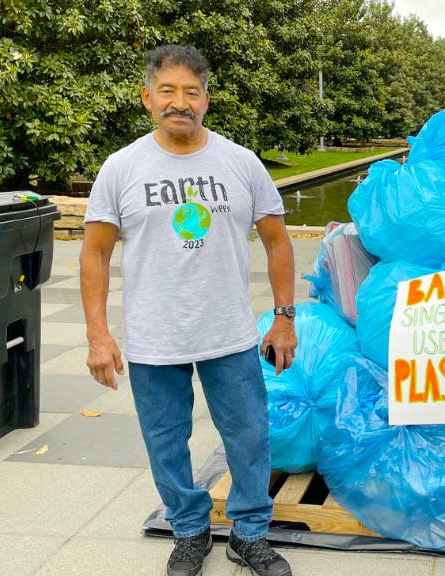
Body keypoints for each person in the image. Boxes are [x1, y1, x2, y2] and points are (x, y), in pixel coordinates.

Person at [80, 45, 297, 576]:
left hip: (230, 333)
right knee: (165, 440)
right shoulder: (122, 167)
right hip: (155, 338)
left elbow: (277, 241)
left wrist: (284, 317)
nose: (180, 103)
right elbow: (95, 252)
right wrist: (98, 335)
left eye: (192, 92)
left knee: (249, 434)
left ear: (206, 100)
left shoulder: (240, 163)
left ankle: (249, 534)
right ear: (147, 97)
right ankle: (189, 529)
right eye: (168, 91)